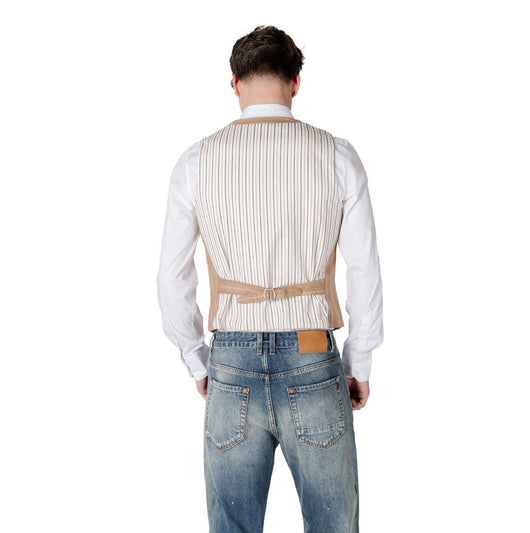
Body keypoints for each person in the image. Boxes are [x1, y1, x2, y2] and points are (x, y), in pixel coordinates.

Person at [156, 25, 384, 533]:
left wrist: (197, 360)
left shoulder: (196, 162)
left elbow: (172, 277)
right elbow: (364, 269)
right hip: (311, 352)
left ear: (234, 83)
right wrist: (359, 360)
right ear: (296, 82)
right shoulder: (336, 155)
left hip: (230, 359)